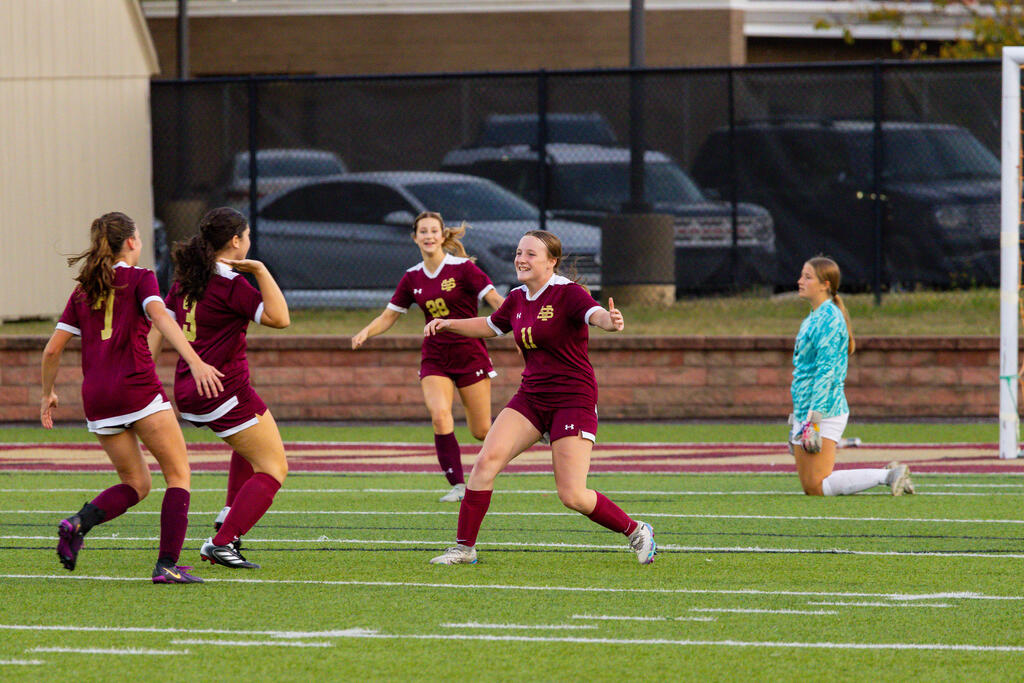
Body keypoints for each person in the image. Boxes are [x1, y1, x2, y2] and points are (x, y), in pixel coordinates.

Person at [424, 230, 656, 565]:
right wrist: (449, 325)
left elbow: (596, 315)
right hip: (531, 397)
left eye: (531, 254)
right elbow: (491, 325)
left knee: (572, 495)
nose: (521, 259)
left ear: (551, 262)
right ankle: (464, 548)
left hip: (572, 399)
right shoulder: (517, 297)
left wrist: (611, 320)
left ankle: (636, 530)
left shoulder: (568, 293)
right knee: (485, 463)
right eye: (519, 252)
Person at [42, 211, 224, 584]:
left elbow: (52, 350)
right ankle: (167, 565)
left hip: (97, 397)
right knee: (178, 474)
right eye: (139, 237)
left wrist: (48, 393)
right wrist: (195, 361)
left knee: (137, 484)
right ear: (130, 242)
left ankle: (78, 523)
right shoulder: (141, 277)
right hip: (136, 387)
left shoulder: (84, 289)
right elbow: (161, 317)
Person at [149, 207, 290, 569]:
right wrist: (261, 271)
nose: (249, 241)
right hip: (223, 390)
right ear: (236, 241)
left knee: (251, 442)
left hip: (190, 389)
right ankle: (222, 542)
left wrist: (146, 374)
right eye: (247, 236)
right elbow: (280, 318)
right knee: (274, 468)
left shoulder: (188, 278)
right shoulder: (231, 284)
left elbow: (161, 327)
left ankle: (229, 513)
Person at [352, 211, 505, 502]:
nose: (429, 236)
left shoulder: (464, 269)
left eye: (434, 231)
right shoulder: (412, 277)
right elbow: (389, 316)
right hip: (435, 358)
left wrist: (520, 320)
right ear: (415, 238)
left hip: (470, 356)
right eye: (423, 231)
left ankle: (525, 434)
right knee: (440, 416)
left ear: (443, 236)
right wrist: (366, 332)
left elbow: (495, 300)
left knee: (481, 430)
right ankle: (458, 485)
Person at [790, 256, 914, 497]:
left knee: (817, 486)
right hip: (806, 408)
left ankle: (888, 476)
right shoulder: (813, 317)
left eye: (808, 277)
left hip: (825, 409)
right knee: (810, 486)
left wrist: (813, 420)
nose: (800, 281)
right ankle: (886, 473)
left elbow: (826, 372)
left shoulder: (829, 319)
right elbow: (804, 372)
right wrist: (797, 418)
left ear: (825, 285)